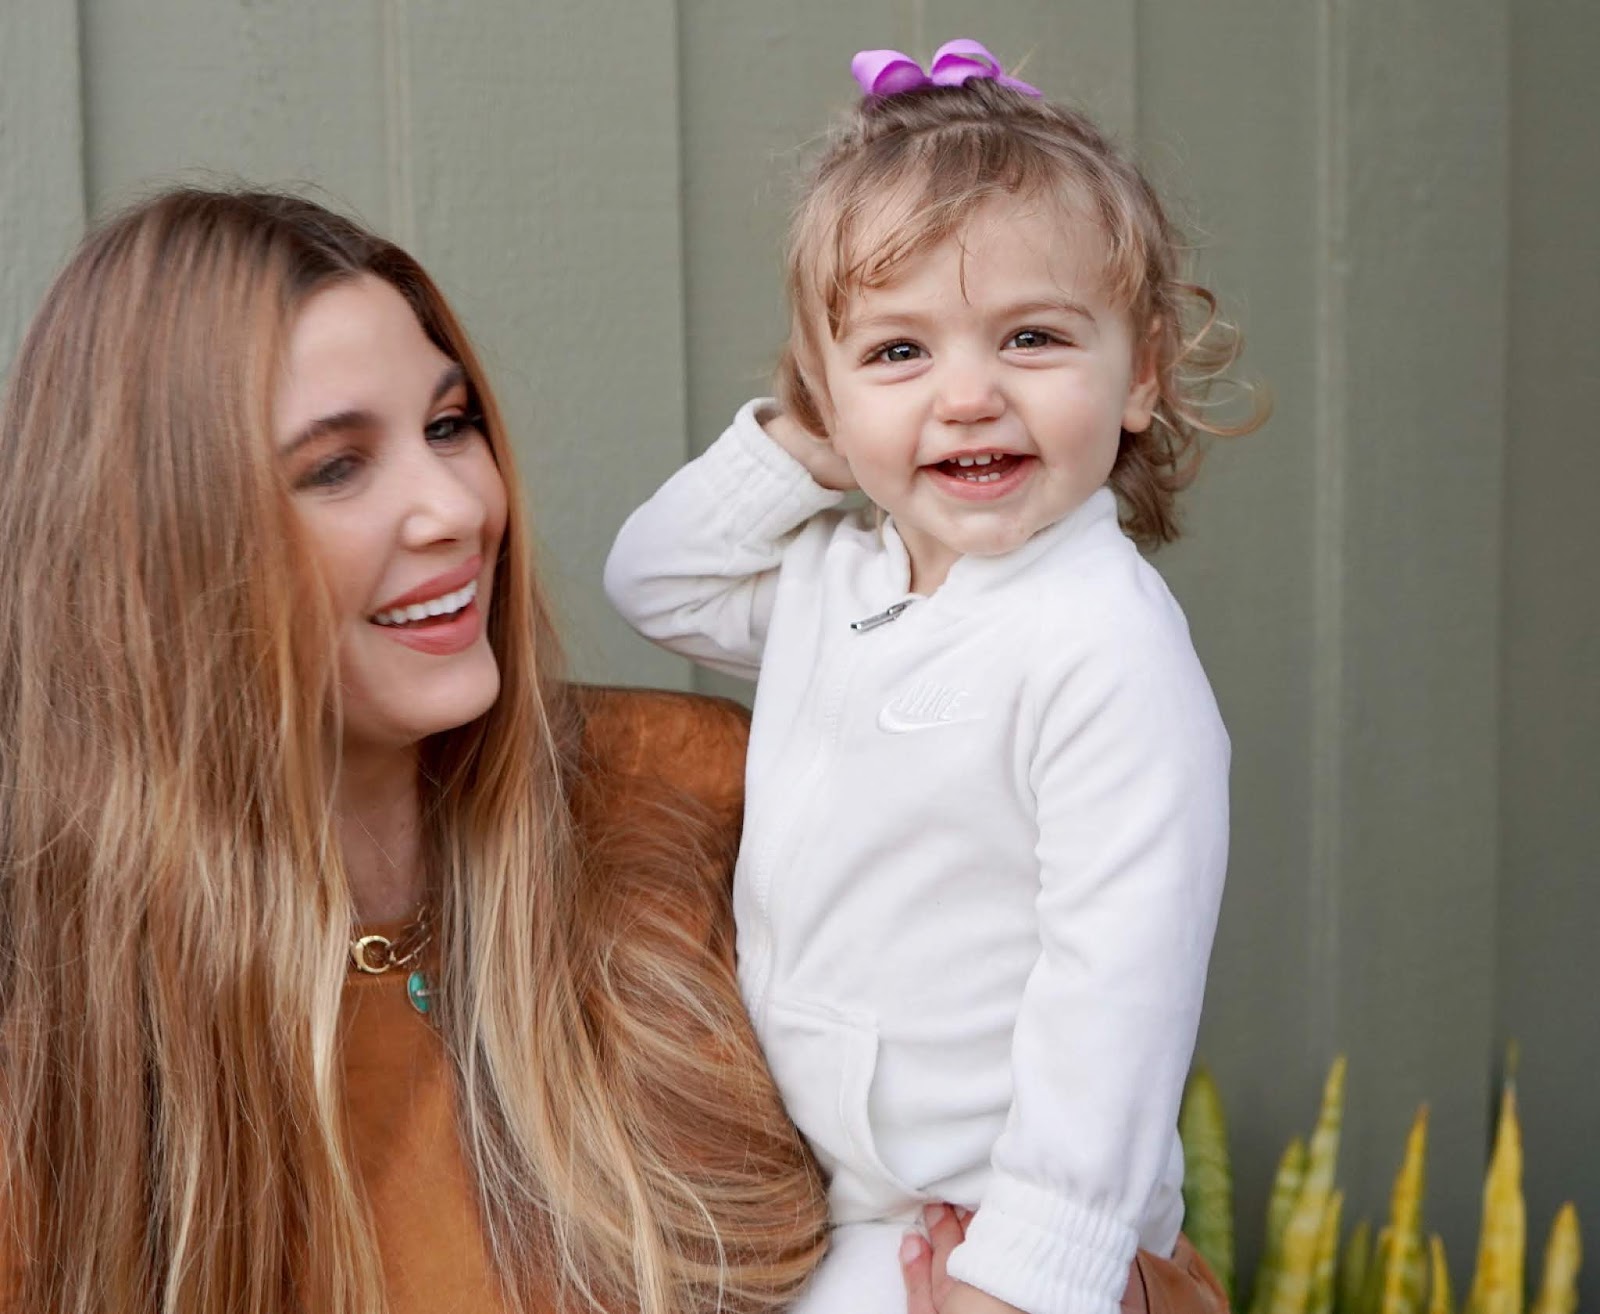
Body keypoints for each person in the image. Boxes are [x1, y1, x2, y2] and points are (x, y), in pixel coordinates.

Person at [0, 187, 832, 1314]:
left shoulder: (691, 794)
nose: (455, 507)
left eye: (450, 426)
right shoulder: (46, 1031)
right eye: (335, 467)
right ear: (153, 553)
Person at [606, 39, 1262, 1314]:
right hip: (825, 1191)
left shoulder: (1102, 643)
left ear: (1139, 376)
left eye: (1031, 337)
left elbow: (1117, 989)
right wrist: (816, 440)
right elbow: (656, 578)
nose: (966, 396)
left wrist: (1032, 1271)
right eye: (899, 353)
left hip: (993, 1225)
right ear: (825, 393)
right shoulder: (836, 588)